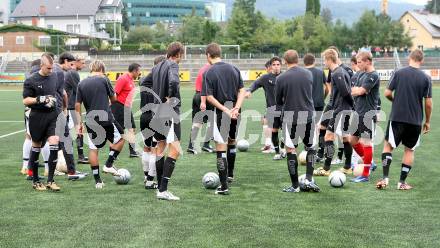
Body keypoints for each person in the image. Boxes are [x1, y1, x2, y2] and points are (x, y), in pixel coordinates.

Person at [376, 49, 432, 190]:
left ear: (409, 58)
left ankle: (385, 178)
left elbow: (387, 93)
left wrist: (395, 101)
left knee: (388, 147)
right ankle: (401, 182)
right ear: (422, 60)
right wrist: (427, 121)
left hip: (397, 117)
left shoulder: (399, 73)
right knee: (409, 150)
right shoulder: (426, 78)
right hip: (415, 120)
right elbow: (429, 103)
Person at [202, 43, 246, 195]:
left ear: (208, 55)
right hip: (236, 112)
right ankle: (230, 175)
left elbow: (209, 97)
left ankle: (224, 186)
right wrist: (236, 108)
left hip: (222, 113)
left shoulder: (209, 72)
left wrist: (226, 110)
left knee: (221, 146)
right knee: (232, 141)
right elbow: (242, 90)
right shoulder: (234, 68)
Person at [275, 50, 320, 193]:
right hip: (307, 115)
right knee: (311, 147)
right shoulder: (308, 74)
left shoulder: (281, 78)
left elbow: (278, 101)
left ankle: (295, 186)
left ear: (284, 61)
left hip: (290, 117)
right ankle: (308, 179)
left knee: (290, 149)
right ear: (298, 59)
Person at [75, 60, 124, 189]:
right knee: (122, 137)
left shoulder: (81, 83)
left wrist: (79, 123)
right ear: (102, 68)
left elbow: (77, 104)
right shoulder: (104, 79)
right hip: (105, 117)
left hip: (90, 119)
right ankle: (108, 164)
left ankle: (98, 181)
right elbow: (114, 99)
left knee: (93, 149)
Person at [22, 53, 64, 191]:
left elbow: (58, 93)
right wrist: (39, 99)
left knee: (54, 142)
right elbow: (25, 100)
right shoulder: (31, 80)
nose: (51, 71)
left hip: (52, 116)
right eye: (48, 68)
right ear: (41, 66)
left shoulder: (54, 76)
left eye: (52, 68)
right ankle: (35, 181)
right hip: (37, 118)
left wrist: (58, 107)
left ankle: (50, 180)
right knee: (36, 146)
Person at [150, 42, 184, 201]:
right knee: (175, 148)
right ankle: (163, 190)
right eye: (181, 55)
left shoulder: (157, 66)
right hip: (169, 110)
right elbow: (174, 82)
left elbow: (144, 83)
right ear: (178, 54)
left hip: (157, 110)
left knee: (160, 145)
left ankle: (159, 187)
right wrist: (170, 97)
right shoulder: (172, 64)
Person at [314, 48, 354, 176]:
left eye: (324, 60)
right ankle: (347, 166)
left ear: (329, 59)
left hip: (341, 109)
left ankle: (326, 169)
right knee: (345, 137)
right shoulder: (337, 71)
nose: (324, 62)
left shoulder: (338, 72)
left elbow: (346, 92)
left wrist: (352, 105)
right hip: (341, 108)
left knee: (329, 136)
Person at [245, 57, 285, 159]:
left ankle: (283, 148)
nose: (276, 67)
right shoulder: (265, 78)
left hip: (285, 109)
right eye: (274, 65)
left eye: (278, 64)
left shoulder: (285, 76)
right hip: (272, 109)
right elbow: (255, 84)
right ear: (271, 66)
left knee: (286, 132)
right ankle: (277, 152)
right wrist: (249, 91)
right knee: (274, 131)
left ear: (281, 65)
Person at [349, 51, 380, 183]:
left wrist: (358, 90)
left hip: (367, 113)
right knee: (352, 140)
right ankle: (369, 163)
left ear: (368, 61)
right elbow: (353, 90)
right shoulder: (361, 74)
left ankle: (365, 175)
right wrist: (357, 90)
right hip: (358, 112)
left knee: (366, 142)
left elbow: (360, 91)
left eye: (360, 61)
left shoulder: (373, 75)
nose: (358, 64)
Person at [56, 52, 87, 180]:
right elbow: (69, 92)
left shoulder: (60, 72)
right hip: (63, 110)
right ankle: (69, 170)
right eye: (72, 63)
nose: (72, 66)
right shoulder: (63, 73)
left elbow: (63, 92)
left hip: (62, 109)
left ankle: (61, 168)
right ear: (66, 61)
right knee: (64, 139)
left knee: (58, 140)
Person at [139, 55, 166, 190]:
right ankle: (150, 181)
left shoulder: (144, 79)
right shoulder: (160, 80)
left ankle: (146, 177)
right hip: (154, 117)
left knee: (146, 147)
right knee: (156, 148)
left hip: (144, 117)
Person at [112, 63, 142, 158]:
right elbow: (115, 93)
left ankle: (133, 151)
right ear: (134, 71)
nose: (140, 73)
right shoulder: (123, 78)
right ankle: (112, 152)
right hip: (119, 107)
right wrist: (111, 107)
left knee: (131, 128)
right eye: (139, 71)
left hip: (127, 108)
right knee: (119, 131)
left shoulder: (131, 80)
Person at [303, 53, 329, 163]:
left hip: (306, 105)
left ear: (304, 62)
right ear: (314, 61)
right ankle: (320, 152)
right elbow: (327, 87)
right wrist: (323, 97)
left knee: (307, 128)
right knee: (320, 129)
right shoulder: (320, 72)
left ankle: (309, 149)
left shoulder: (302, 73)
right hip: (319, 103)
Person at [65, 55, 88, 164]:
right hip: (70, 107)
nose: (84, 65)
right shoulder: (72, 73)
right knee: (75, 131)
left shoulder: (71, 73)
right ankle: (76, 157)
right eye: (82, 63)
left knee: (77, 130)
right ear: (76, 62)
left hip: (71, 106)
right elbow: (80, 91)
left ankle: (80, 156)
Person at [187, 62, 214, 154]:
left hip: (196, 95)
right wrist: (204, 101)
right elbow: (206, 85)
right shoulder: (210, 69)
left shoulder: (203, 68)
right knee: (212, 120)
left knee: (197, 122)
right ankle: (206, 145)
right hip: (205, 96)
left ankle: (191, 146)